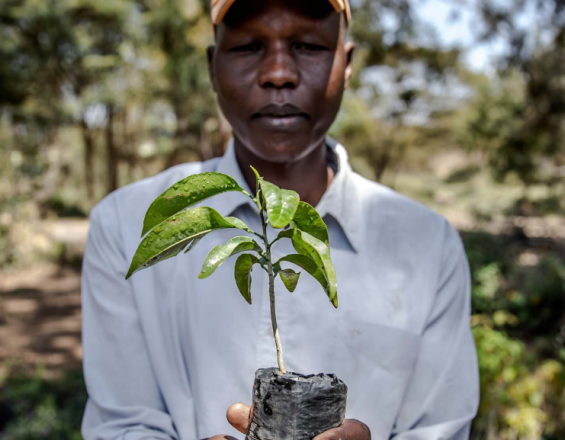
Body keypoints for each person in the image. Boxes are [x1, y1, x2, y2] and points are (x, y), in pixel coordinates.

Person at [80, 0, 480, 439]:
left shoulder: (427, 244)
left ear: (346, 63)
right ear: (213, 67)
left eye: (307, 45)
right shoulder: (125, 223)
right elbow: (122, 424)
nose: (278, 73)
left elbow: (440, 427)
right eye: (249, 46)